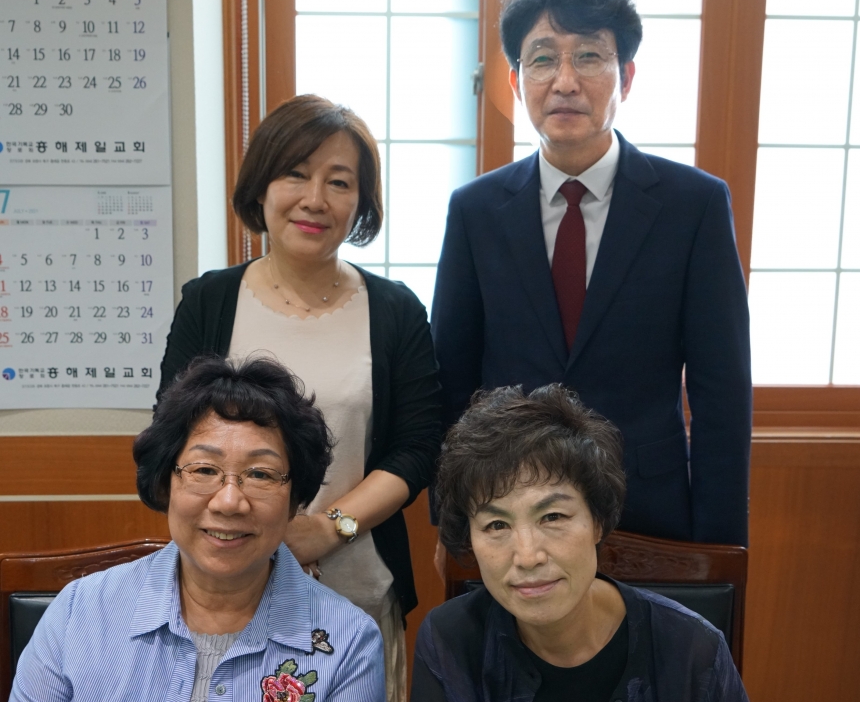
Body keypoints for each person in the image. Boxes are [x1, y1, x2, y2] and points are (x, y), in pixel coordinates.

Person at [431, 0, 751, 551]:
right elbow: (452, 381)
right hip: (509, 510)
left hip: (648, 508)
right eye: (542, 59)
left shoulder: (694, 205)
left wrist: (721, 549)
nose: (565, 81)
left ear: (625, 76)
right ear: (516, 80)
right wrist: (451, 527)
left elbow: (720, 392)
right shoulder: (475, 209)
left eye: (588, 56)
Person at [159, 94, 441, 700]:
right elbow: (171, 438)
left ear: (360, 203)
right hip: (222, 587)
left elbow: (418, 448)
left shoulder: (395, 311)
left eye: (339, 182)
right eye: (295, 174)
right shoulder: (209, 302)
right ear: (261, 186)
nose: (315, 199)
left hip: (356, 586)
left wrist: (327, 529)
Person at [12, 355, 384, 702]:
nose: (229, 501)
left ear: (294, 498)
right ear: (166, 482)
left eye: (260, 474)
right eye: (204, 470)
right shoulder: (80, 613)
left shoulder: (348, 642)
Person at [413, 384, 749, 702]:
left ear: (598, 523)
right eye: (497, 525)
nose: (528, 556)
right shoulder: (450, 641)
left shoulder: (692, 651)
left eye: (552, 517)